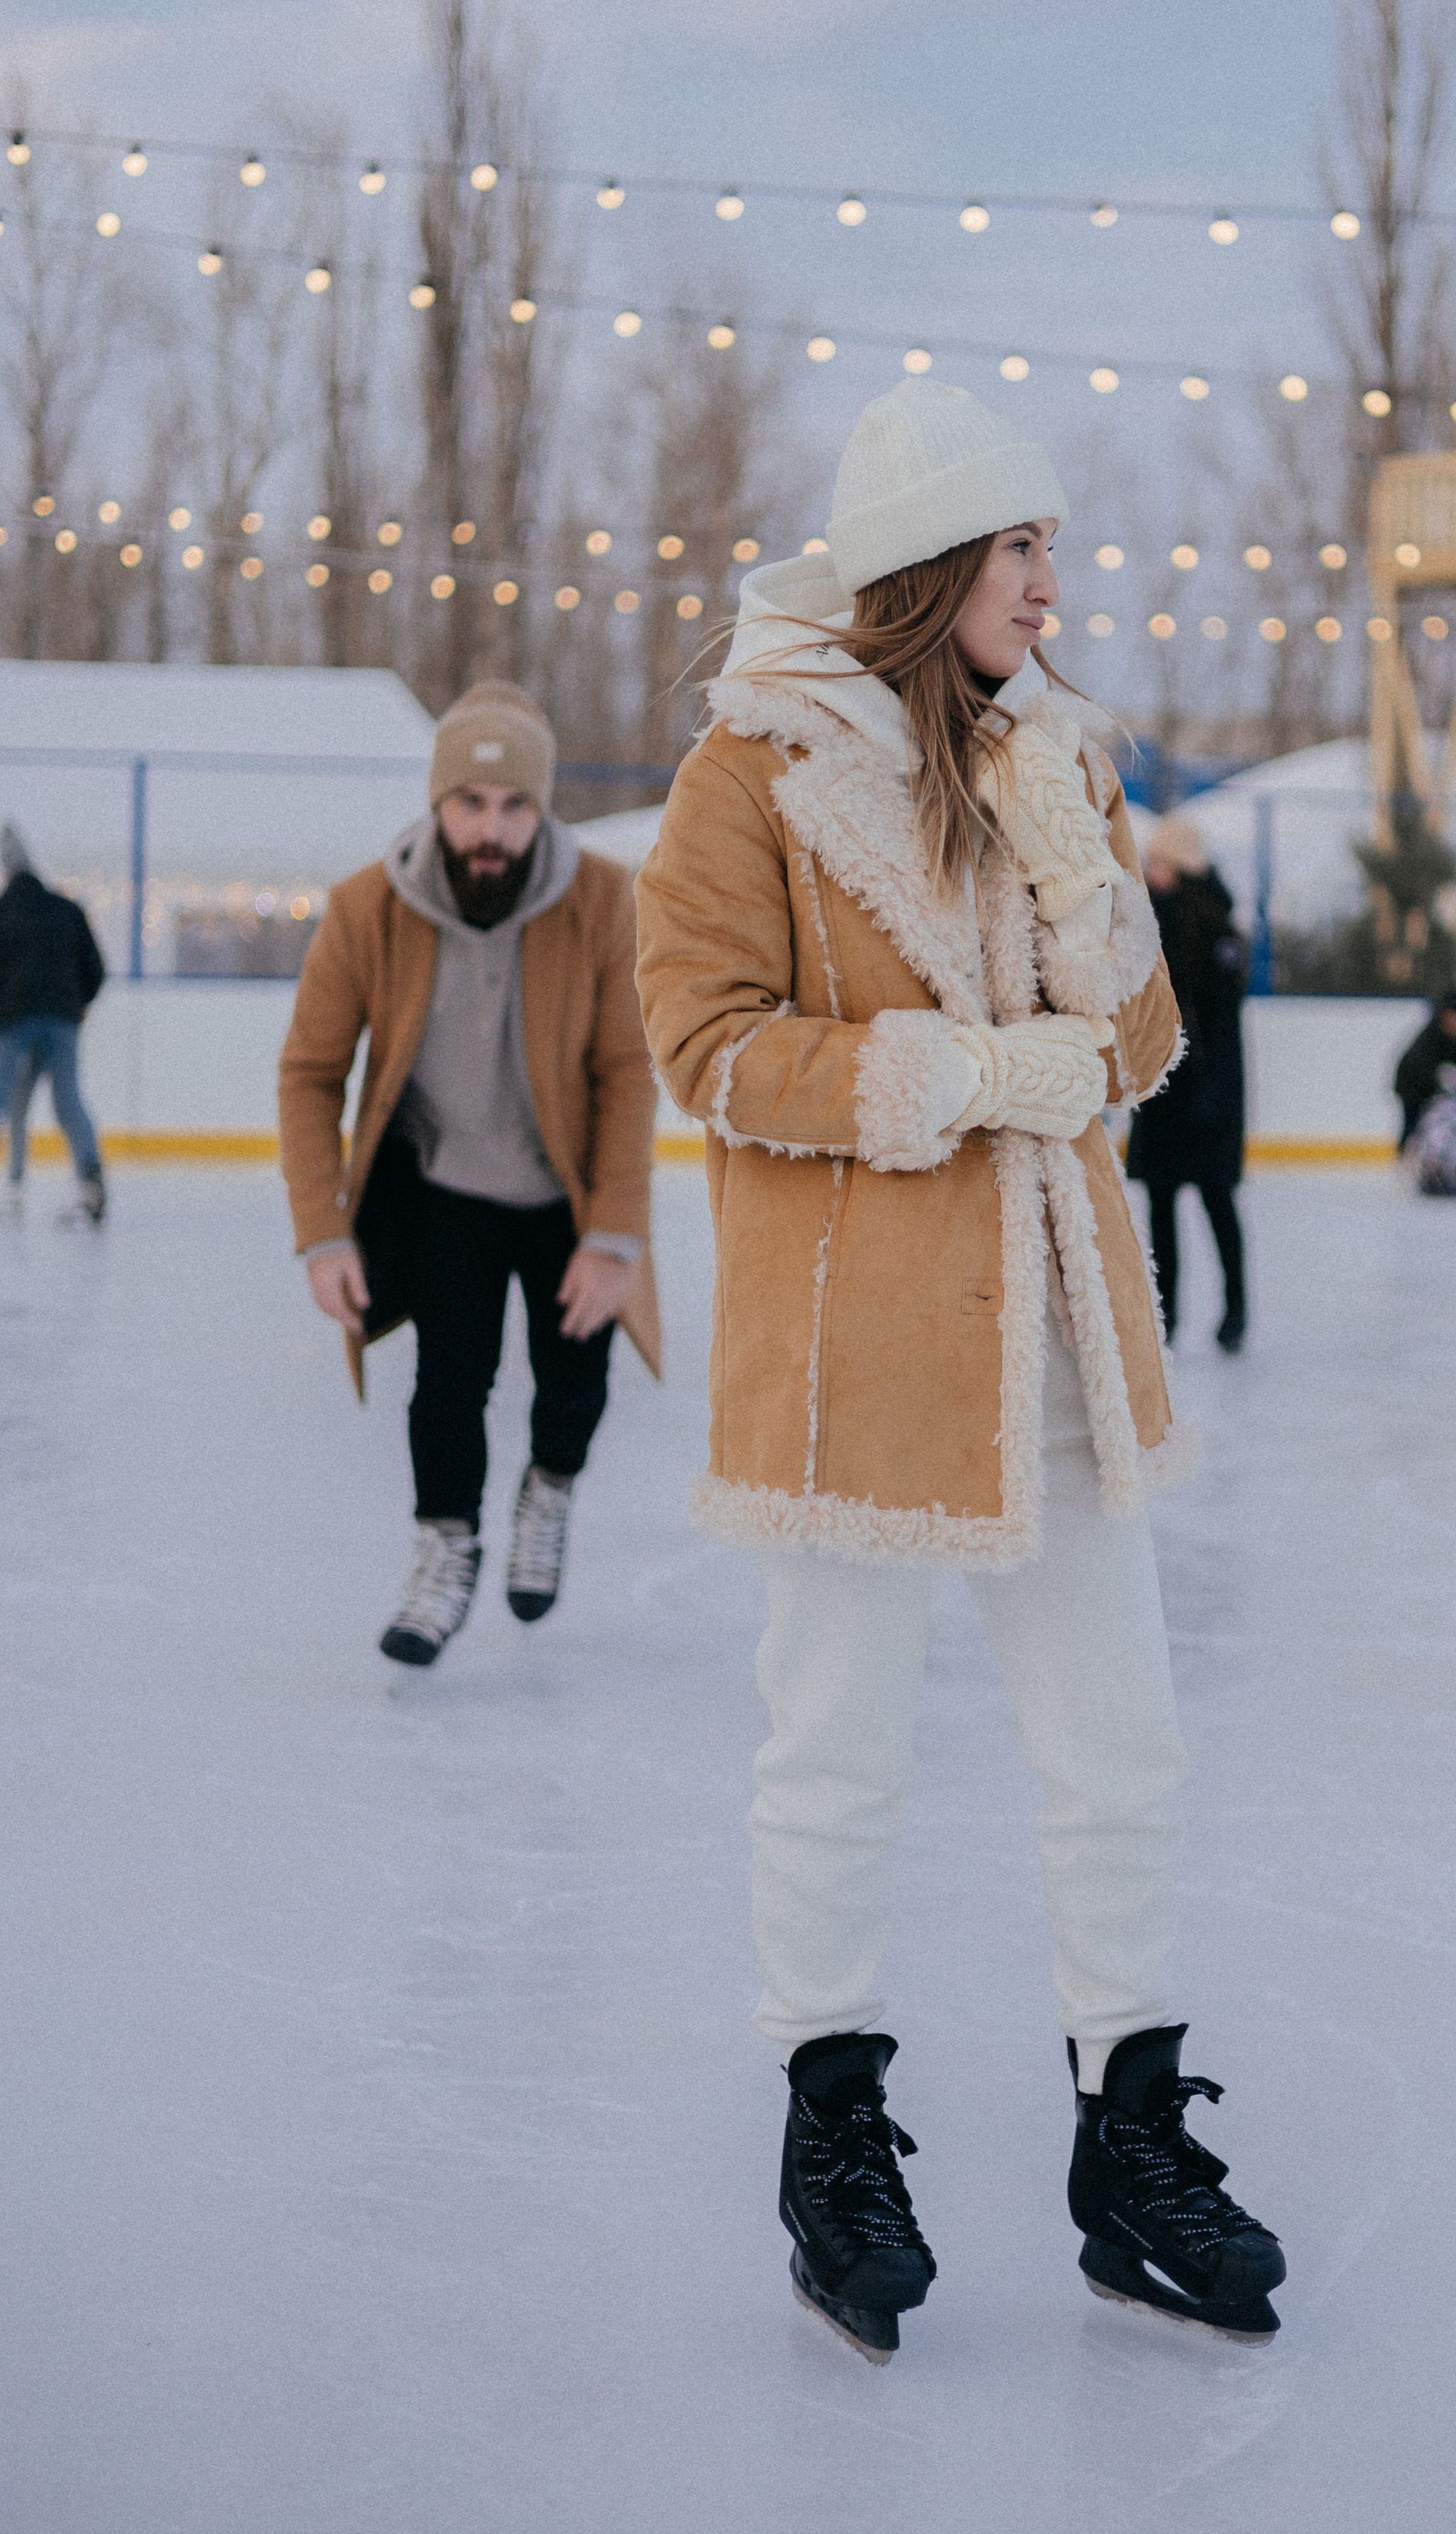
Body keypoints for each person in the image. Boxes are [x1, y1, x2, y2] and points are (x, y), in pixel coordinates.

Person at [636, 377, 1285, 2366]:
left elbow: (1148, 1056)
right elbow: (707, 1044)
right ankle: (833, 2138)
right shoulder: (750, 774)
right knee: (834, 1751)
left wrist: (1086, 889)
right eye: (1021, 546)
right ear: (928, 569)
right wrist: (946, 1079)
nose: (1051, 576)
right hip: (861, 1354)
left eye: (1052, 545)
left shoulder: (1058, 761)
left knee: (1125, 1749)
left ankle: (1131, 2144)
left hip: (1068, 1331)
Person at [277, 682, 661, 1669]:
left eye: (514, 805)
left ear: (543, 809)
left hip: (564, 1192)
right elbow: (310, 1074)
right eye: (470, 803)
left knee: (574, 1377)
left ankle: (550, 1489)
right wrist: (323, 1233)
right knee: (449, 1384)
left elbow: (627, 1071)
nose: (491, 828)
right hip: (443, 1185)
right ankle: (445, 1551)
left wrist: (613, 1237)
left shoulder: (604, 901)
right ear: (437, 802)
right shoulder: (368, 907)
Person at [1124, 814, 1248, 1351]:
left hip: (1206, 1090)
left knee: (1215, 1203)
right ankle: (1167, 1315)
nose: (1150, 872)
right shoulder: (1150, 922)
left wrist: (1214, 1091)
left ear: (1180, 867)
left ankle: (1234, 1309)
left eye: (1159, 863)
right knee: (1163, 1208)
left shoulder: (1214, 928)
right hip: (1166, 1089)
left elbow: (1221, 1020)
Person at [0, 822, 108, 1224]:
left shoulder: (3, 912)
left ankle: (18, 1178)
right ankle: (91, 1179)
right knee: (68, 1101)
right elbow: (96, 968)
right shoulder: (67, 909)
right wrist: (78, 1005)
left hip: (13, 1022)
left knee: (4, 1099)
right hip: (62, 1021)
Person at [1394, 990, 1456, 1154]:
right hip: (1411, 1086)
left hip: (1427, 1087)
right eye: (1452, 1016)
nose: (1455, 1021)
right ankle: (1404, 1157)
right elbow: (1421, 1067)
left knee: (1432, 1122)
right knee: (1412, 1122)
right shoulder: (1431, 1036)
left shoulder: (1453, 1037)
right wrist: (1439, 1086)